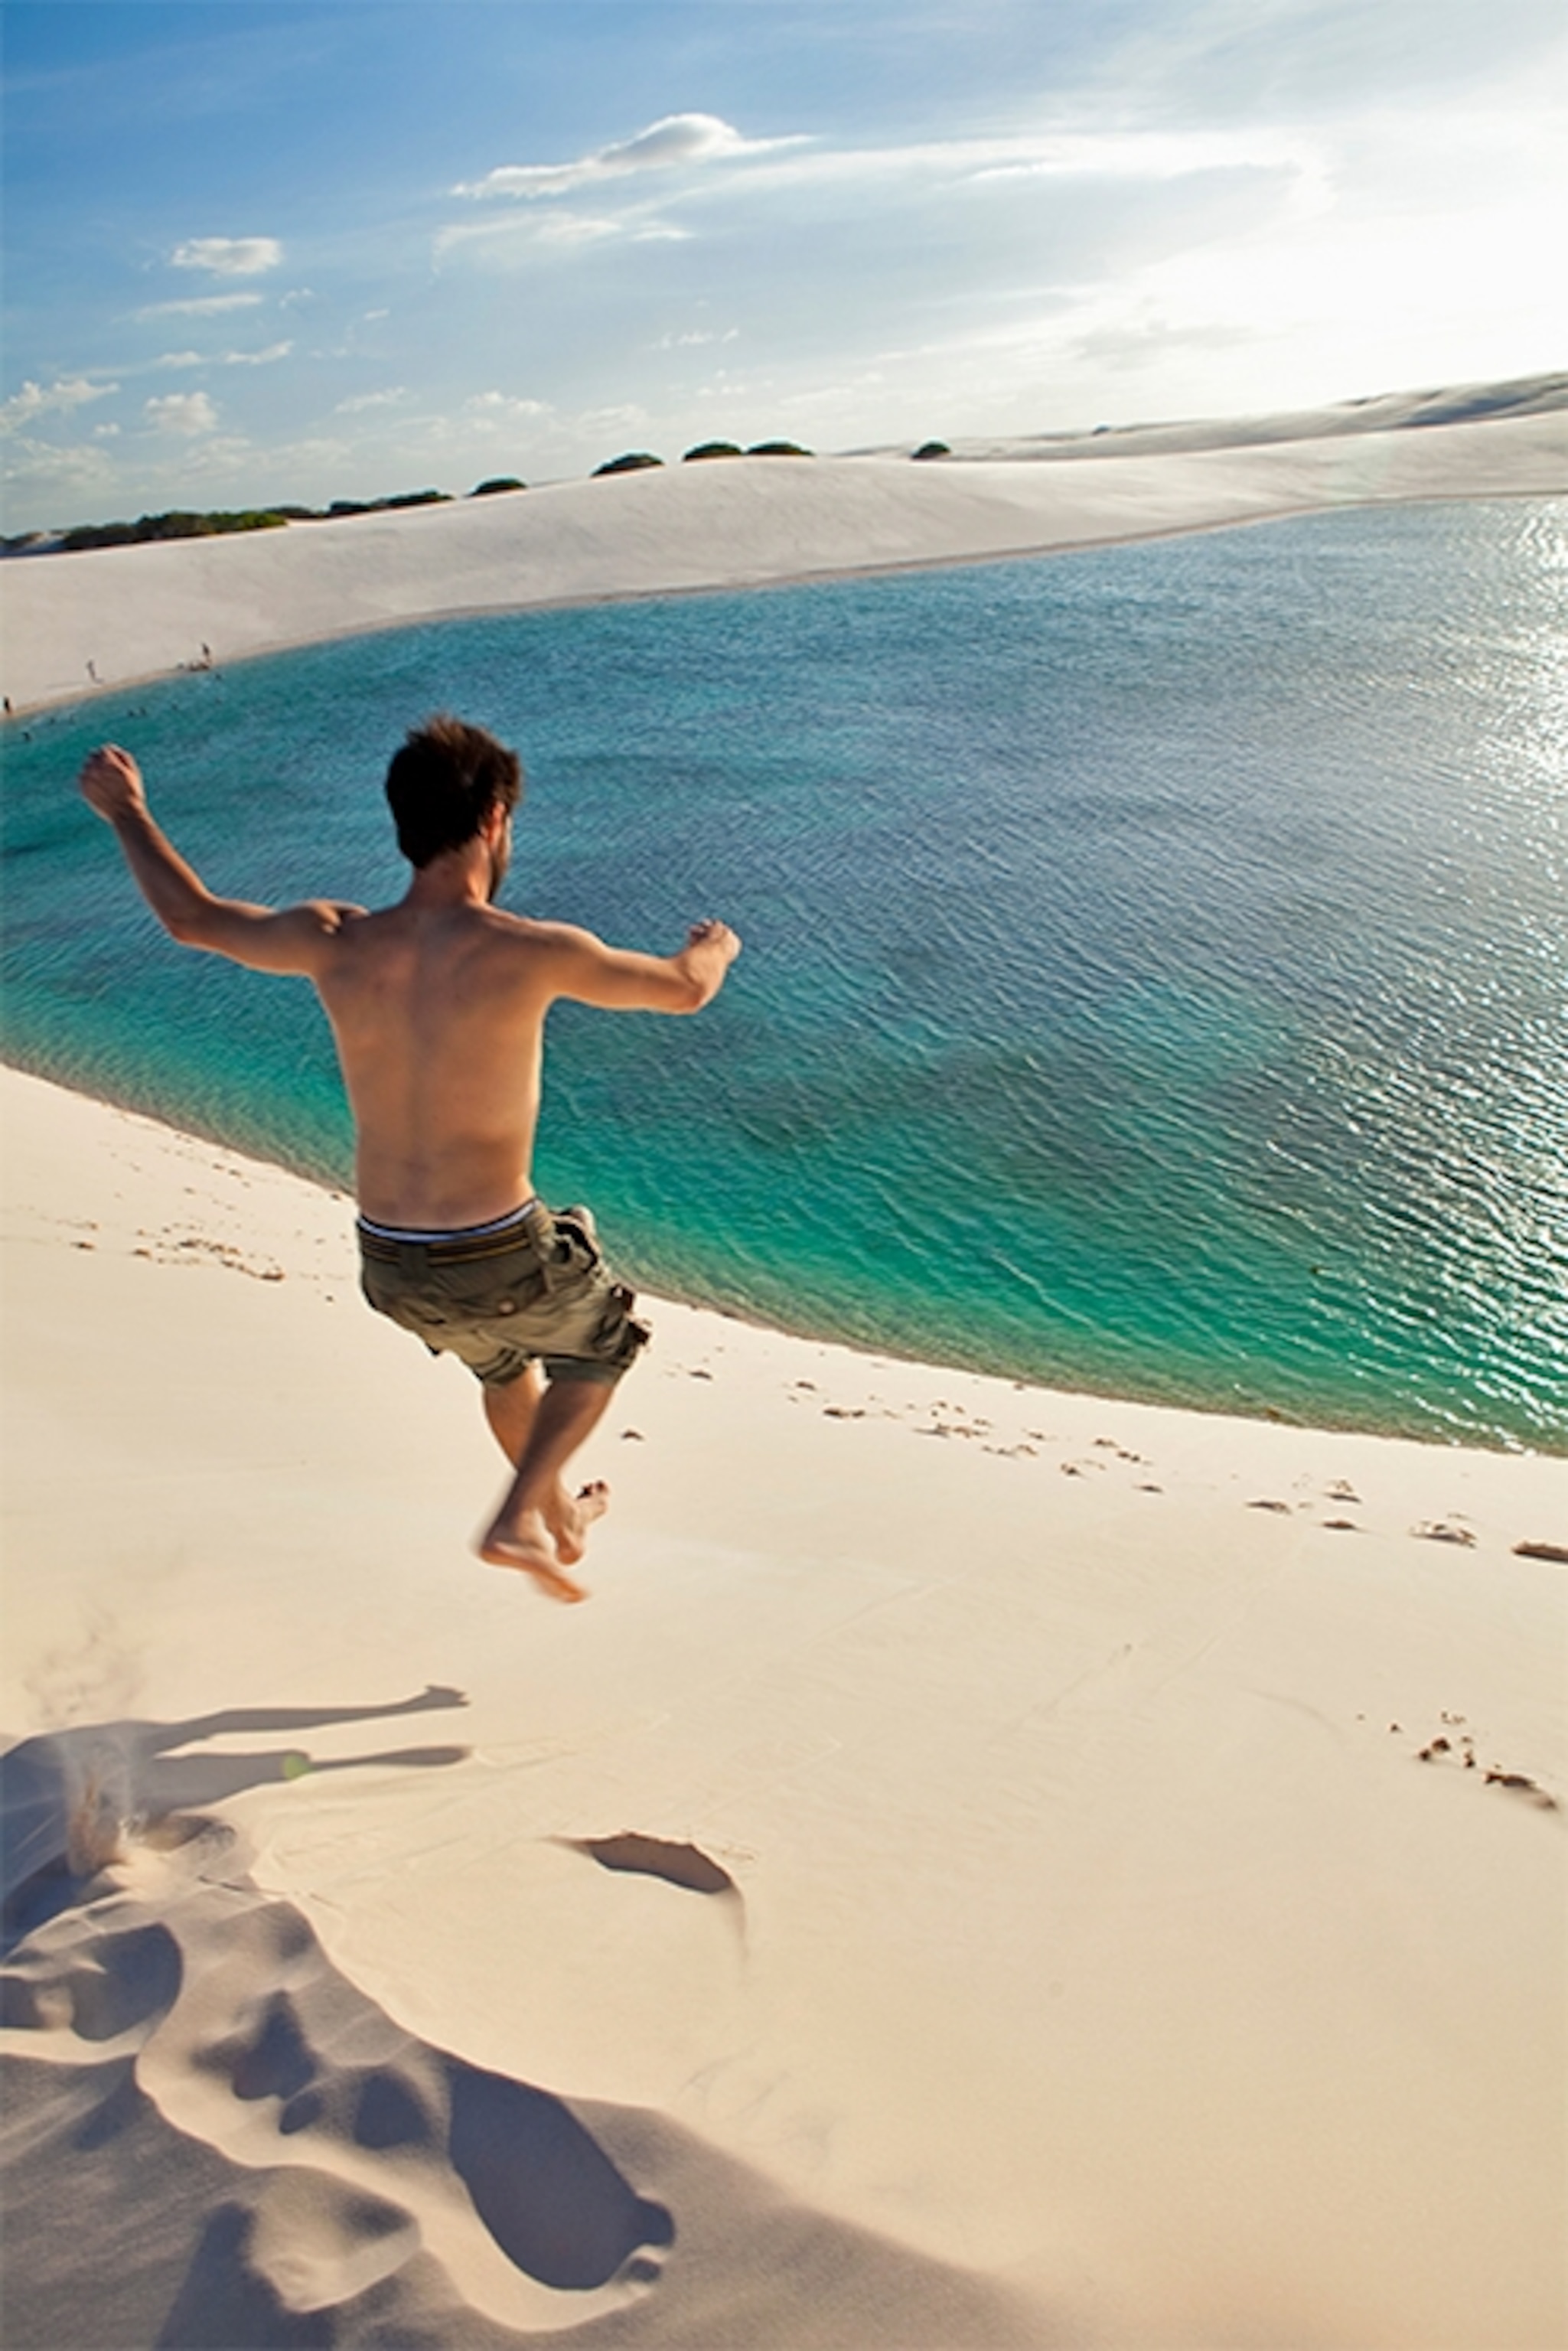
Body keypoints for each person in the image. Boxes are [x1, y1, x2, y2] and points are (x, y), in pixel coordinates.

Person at [78, 715, 741, 1602]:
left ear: (404, 824)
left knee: (505, 1365)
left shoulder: (333, 940)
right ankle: (517, 1514)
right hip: (493, 1247)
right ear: (497, 817)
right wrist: (713, 947)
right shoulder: (532, 949)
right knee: (606, 1343)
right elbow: (685, 991)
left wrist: (126, 811)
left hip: (391, 1263)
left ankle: (559, 1515)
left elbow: (191, 920)